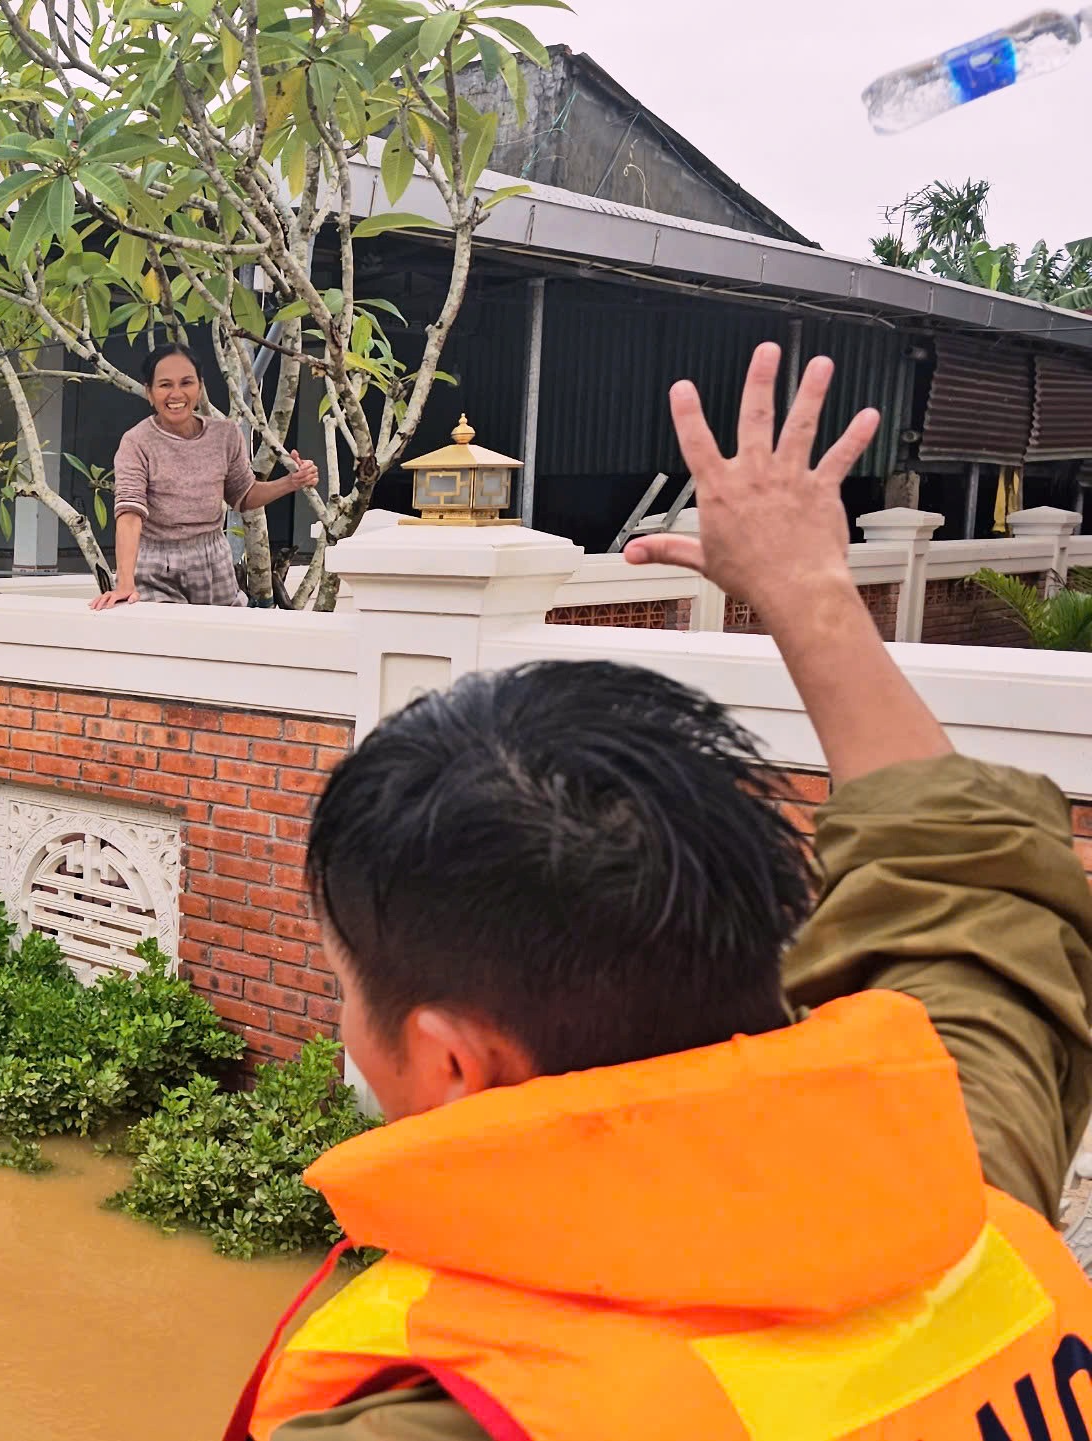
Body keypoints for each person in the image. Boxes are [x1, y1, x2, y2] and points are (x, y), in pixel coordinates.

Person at [231, 343, 1092, 1439]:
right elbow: (965, 869)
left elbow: (960, 874)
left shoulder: (455, 1415)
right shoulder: (956, 1183)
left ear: (452, 1059)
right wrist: (807, 586)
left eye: (346, 985)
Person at [91, 342, 318, 610]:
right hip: (155, 565)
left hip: (213, 560)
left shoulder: (225, 435)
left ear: (199, 388)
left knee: (219, 643)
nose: (176, 393)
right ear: (150, 393)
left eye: (186, 382)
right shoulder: (137, 442)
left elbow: (243, 496)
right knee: (165, 643)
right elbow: (129, 514)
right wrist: (125, 583)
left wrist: (292, 481)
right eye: (165, 385)